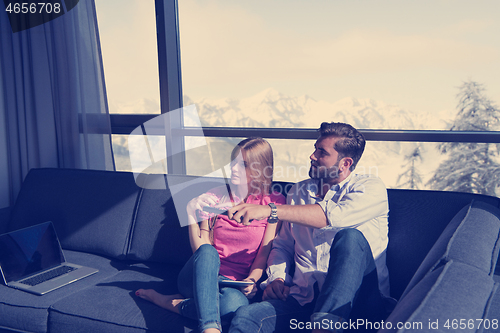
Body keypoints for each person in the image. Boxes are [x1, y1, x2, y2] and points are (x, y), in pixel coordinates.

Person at [226, 122, 392, 333]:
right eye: (315, 148)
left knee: (350, 238)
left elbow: (332, 217)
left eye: (322, 152)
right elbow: (283, 246)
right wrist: (277, 277)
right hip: (303, 301)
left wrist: (271, 210)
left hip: (359, 307)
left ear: (345, 163)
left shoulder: (370, 188)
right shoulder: (299, 191)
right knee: (248, 316)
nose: (312, 156)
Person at [135, 137, 286, 333]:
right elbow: (201, 251)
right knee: (208, 252)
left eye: (242, 165)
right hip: (198, 276)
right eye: (233, 162)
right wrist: (190, 212)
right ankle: (210, 329)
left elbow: (264, 253)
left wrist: (252, 280)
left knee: (234, 306)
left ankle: (169, 302)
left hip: (233, 285)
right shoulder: (215, 197)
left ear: (259, 169)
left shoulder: (273, 203)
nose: (233, 169)